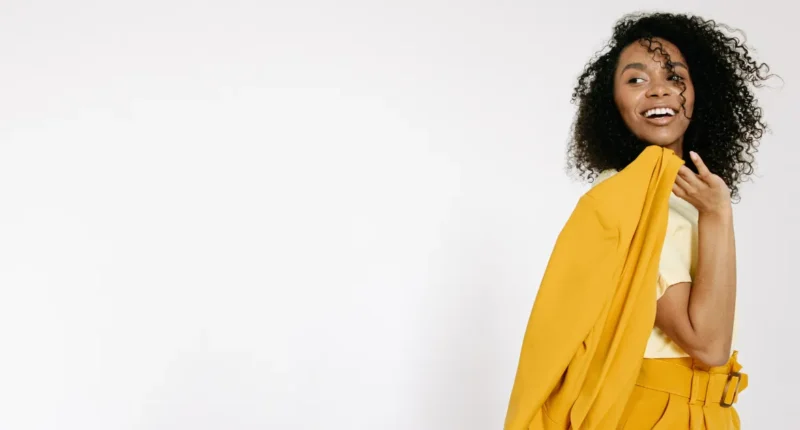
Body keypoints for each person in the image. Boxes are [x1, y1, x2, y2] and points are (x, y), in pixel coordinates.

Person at [507, 12, 773, 429]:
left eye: (675, 77)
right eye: (636, 80)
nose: (658, 90)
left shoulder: (680, 195)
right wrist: (718, 215)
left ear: (700, 92)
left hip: (709, 414)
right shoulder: (627, 199)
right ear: (611, 104)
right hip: (654, 414)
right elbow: (707, 345)